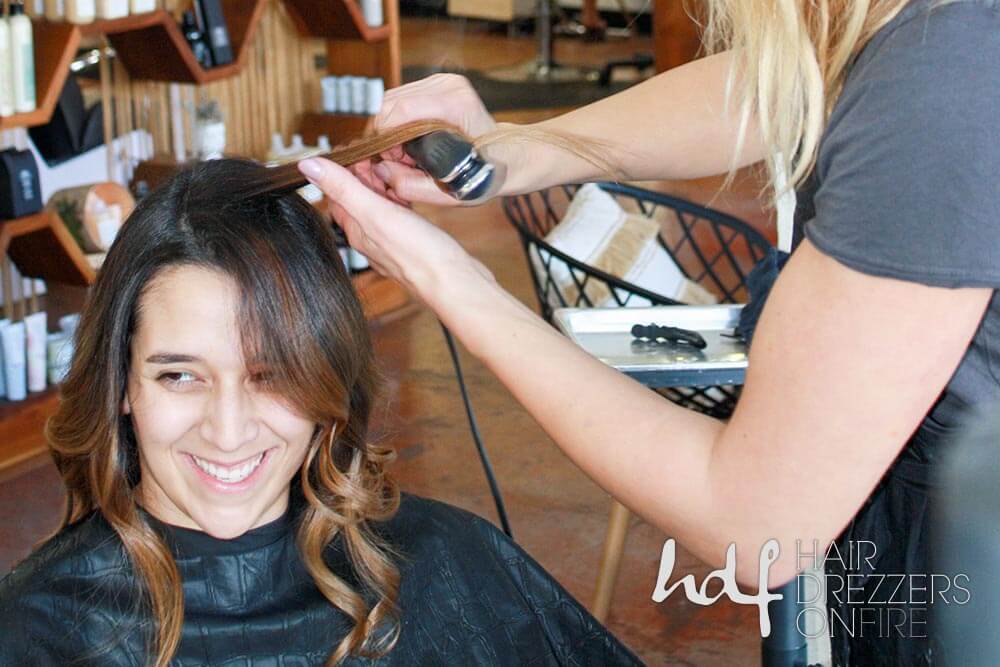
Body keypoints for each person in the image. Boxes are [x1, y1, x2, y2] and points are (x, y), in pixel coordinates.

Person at [293, 0, 1000, 664]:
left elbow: (753, 519)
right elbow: (797, 76)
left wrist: (452, 282)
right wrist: (516, 150)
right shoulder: (919, 37)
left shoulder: (950, 69)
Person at [0, 159, 641, 666]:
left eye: (270, 376)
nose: (228, 431)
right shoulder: (40, 625)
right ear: (121, 384)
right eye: (180, 376)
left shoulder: (444, 566)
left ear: (324, 375)